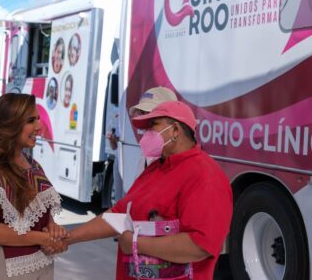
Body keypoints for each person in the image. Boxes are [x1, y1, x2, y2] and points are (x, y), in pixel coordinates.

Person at [64, 100, 233, 280]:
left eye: (153, 125)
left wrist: (137, 244)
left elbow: (200, 245)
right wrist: (68, 238)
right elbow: (118, 214)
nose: (146, 134)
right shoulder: (156, 168)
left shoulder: (205, 175)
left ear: (175, 130)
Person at [0, 93, 68, 280]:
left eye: (38, 118)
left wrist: (53, 229)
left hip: (41, 261)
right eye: (31, 120)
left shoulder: (33, 165)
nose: (39, 126)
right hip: (8, 267)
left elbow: (40, 216)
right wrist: (43, 238)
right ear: (10, 125)